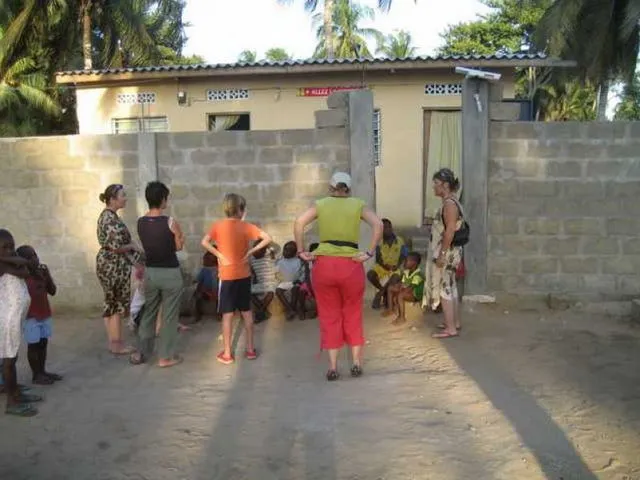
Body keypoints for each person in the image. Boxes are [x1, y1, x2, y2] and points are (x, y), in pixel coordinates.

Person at [294, 172, 383, 381]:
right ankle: (356, 363)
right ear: (348, 189)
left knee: (329, 315)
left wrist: (300, 250)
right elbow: (378, 224)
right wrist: (369, 252)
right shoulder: (357, 204)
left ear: (330, 187)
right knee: (353, 313)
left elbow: (299, 222)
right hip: (350, 265)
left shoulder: (321, 204)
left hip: (324, 266)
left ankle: (333, 367)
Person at [201, 193, 272, 365]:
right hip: (243, 275)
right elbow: (267, 238)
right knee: (247, 313)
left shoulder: (218, 226)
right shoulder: (246, 226)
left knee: (228, 315)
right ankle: (250, 349)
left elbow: (204, 242)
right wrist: (250, 252)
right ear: (240, 210)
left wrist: (219, 255)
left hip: (226, 276)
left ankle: (227, 353)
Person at [129, 182, 185, 368]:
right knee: (169, 316)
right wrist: (180, 238)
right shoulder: (170, 222)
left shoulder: (141, 222)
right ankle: (165, 357)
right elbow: (178, 246)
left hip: (151, 272)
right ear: (162, 199)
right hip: (170, 273)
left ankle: (142, 352)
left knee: (149, 313)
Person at [0, 229, 42, 417]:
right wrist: (16, 260)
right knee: (8, 361)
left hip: (16, 317)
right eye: (4, 248)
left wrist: (14, 259)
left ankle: (15, 392)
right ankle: (11, 402)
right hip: (7, 319)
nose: (10, 251)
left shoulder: (7, 262)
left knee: (12, 358)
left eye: (12, 247)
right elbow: (24, 266)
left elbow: (25, 270)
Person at [96, 184, 142, 355]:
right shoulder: (109, 218)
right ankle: (117, 344)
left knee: (111, 303)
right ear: (112, 199)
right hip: (113, 266)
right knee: (116, 304)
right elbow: (116, 246)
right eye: (122, 195)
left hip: (111, 264)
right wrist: (132, 246)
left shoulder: (109, 216)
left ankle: (113, 342)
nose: (125, 198)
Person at [425, 168, 465, 339]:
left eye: (436, 183)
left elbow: (449, 231)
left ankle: (450, 328)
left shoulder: (449, 204)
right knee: (451, 286)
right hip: (451, 250)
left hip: (447, 252)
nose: (434, 187)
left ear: (446, 185)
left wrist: (442, 253)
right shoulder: (452, 201)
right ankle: (454, 322)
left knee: (445, 288)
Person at [16, 245, 62, 385]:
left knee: (43, 343)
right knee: (33, 346)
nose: (34, 259)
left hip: (44, 314)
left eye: (35, 255)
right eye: (29, 257)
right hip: (31, 317)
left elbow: (52, 291)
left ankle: (42, 371)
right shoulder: (21, 278)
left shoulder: (41, 273)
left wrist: (47, 276)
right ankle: (36, 375)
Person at [367, 219, 408, 309]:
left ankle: (379, 294)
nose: (387, 230)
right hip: (383, 266)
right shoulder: (379, 241)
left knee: (395, 277)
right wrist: (385, 266)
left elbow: (404, 255)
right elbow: (378, 258)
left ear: (391, 228)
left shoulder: (400, 240)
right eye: (384, 228)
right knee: (370, 274)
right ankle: (384, 292)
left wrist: (397, 265)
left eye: (389, 227)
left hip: (395, 267)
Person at [383, 252, 425, 325]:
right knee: (390, 288)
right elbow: (402, 283)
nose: (404, 263)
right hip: (408, 291)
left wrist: (400, 290)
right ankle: (390, 310)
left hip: (416, 295)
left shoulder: (418, 275)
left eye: (406, 261)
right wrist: (398, 286)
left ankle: (402, 318)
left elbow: (410, 288)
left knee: (400, 295)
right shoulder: (406, 272)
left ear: (414, 263)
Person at [250, 240, 277, 323]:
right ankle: (263, 311)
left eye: (257, 250)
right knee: (247, 292)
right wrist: (254, 279)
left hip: (272, 282)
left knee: (271, 292)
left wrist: (265, 242)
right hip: (260, 283)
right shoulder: (251, 258)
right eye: (254, 250)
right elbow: (252, 271)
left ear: (264, 251)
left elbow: (275, 247)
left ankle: (260, 312)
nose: (254, 252)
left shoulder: (269, 255)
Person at [275, 241, 304, 321]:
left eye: (288, 250)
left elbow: (302, 272)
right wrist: (279, 279)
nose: (285, 252)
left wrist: (299, 280)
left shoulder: (298, 261)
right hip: (284, 282)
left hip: (295, 282)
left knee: (295, 289)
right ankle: (290, 309)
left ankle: (291, 309)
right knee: (278, 290)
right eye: (284, 249)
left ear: (294, 253)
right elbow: (276, 272)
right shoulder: (280, 261)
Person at [194, 252, 220, 322]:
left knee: (219, 298)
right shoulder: (205, 270)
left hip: (214, 291)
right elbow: (198, 279)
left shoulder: (218, 269)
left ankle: (218, 314)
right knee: (198, 295)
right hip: (208, 291)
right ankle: (198, 314)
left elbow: (198, 279)